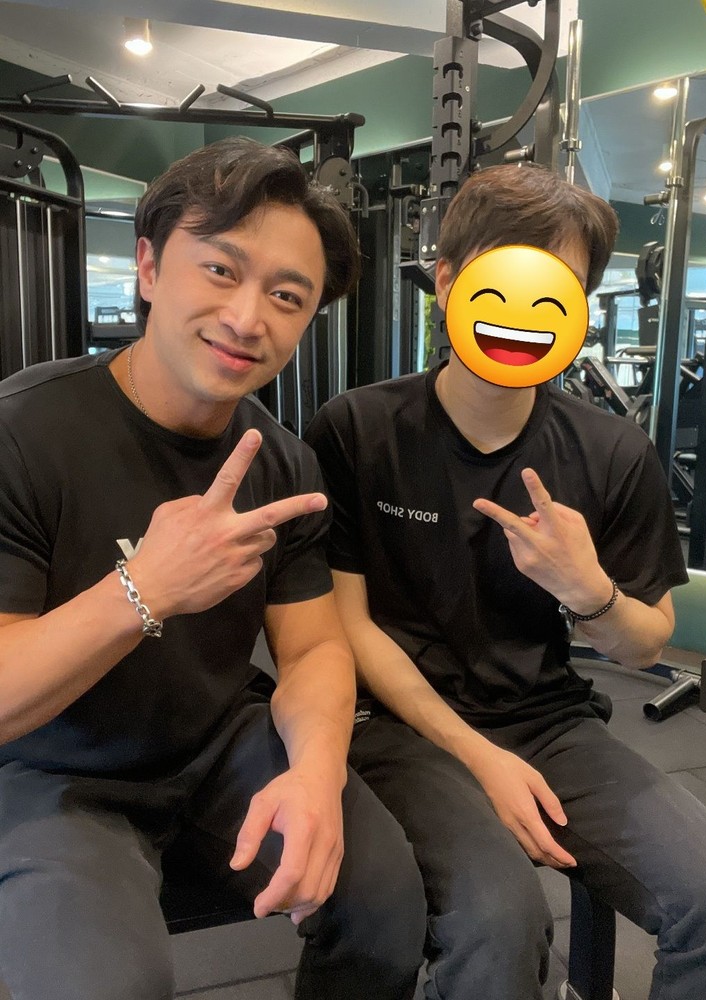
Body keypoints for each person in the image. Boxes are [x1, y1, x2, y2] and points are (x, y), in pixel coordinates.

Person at [305, 163, 706, 1000]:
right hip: (396, 727)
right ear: (448, 282)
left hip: (549, 723)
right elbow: (349, 626)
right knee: (499, 923)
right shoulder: (358, 429)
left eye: (556, 286)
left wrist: (590, 593)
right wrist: (480, 757)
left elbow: (648, 641)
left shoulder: (613, 453)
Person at [0, 137, 426, 1000]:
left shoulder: (282, 463)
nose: (247, 316)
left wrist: (316, 774)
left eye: (286, 296)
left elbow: (314, 650)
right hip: (53, 768)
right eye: (221, 270)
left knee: (383, 902)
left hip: (217, 744)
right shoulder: (23, 433)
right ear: (150, 267)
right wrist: (145, 589)